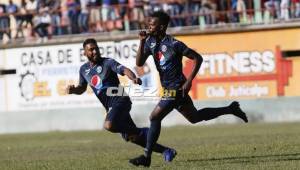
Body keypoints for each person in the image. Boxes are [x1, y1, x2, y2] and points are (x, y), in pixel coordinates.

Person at [129, 11, 248, 167]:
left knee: (154, 117)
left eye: (152, 24)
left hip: (177, 88)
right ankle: (231, 108)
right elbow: (139, 63)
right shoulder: (150, 41)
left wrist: (189, 81)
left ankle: (147, 156)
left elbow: (197, 58)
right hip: (168, 88)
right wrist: (142, 42)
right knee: (195, 118)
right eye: (149, 23)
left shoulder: (174, 44)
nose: (149, 26)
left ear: (162, 27)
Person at [66, 38, 177, 163]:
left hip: (121, 100)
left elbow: (124, 70)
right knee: (133, 138)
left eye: (96, 48)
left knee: (109, 125)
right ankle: (166, 151)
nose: (95, 51)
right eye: (91, 50)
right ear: (84, 53)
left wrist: (133, 78)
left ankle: (144, 131)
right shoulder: (83, 69)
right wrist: (73, 90)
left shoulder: (108, 62)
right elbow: (81, 88)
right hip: (111, 107)